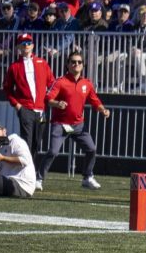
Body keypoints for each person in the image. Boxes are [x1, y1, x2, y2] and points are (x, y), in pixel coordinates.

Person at [39, 50, 111, 189]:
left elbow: (95, 101)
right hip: (60, 125)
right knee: (53, 151)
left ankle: (87, 177)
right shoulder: (60, 82)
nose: (76, 64)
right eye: (73, 62)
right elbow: (48, 99)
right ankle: (39, 178)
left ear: (83, 65)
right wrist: (57, 103)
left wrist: (103, 110)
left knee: (91, 149)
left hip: (78, 126)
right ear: (68, 64)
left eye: (79, 62)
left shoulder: (87, 83)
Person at [2, 32, 56, 188]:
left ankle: (29, 174)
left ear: (32, 45)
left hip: (41, 110)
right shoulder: (14, 67)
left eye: (28, 43)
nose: (26, 46)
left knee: (36, 143)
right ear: (18, 47)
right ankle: (27, 176)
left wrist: (49, 99)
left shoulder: (42, 62)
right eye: (23, 43)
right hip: (25, 108)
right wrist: (17, 105)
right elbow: (7, 89)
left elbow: (52, 83)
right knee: (27, 142)